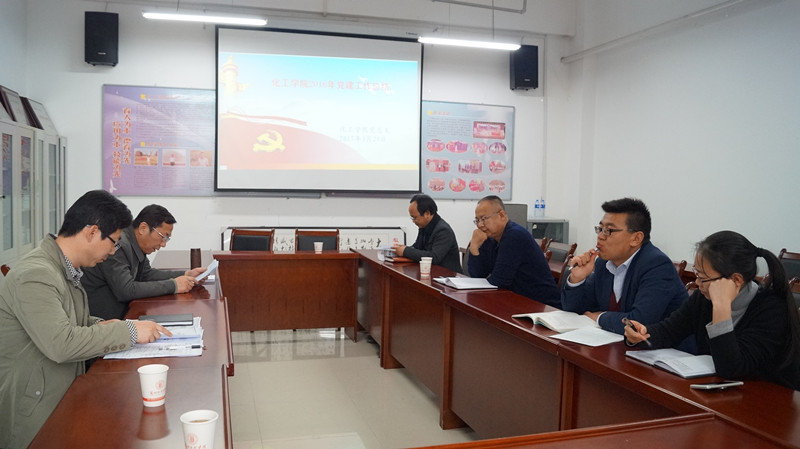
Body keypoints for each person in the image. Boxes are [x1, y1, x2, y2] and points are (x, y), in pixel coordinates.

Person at [0, 190, 172, 449]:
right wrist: (130, 332)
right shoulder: (36, 274)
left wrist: (102, 324)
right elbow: (61, 343)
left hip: (61, 395)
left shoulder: (65, 268)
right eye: (113, 242)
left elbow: (70, 320)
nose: (113, 252)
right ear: (92, 232)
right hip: (35, 414)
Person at [625, 231, 800, 390]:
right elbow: (670, 330)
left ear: (736, 280)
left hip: (767, 401)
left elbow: (732, 368)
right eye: (697, 274)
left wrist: (721, 306)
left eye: (703, 278)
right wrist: (642, 333)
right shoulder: (703, 298)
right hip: (720, 393)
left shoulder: (772, 310)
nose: (697, 283)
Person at [561, 198, 687, 335]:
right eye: (600, 229)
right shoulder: (603, 263)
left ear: (636, 238)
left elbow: (639, 322)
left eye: (609, 230)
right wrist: (577, 280)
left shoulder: (657, 266)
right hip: (615, 342)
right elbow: (575, 310)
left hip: (662, 347)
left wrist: (599, 317)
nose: (600, 236)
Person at [82, 204, 206, 320]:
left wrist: (186, 275)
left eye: (167, 239)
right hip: (101, 320)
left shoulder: (135, 243)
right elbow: (126, 290)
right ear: (143, 228)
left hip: (123, 313)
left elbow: (147, 274)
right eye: (163, 237)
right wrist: (173, 285)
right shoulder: (118, 245)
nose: (163, 244)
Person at [467, 195, 560, 307]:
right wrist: (474, 248)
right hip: (518, 301)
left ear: (502, 215)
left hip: (542, 306)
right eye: (477, 220)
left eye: (484, 219)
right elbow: (477, 275)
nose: (480, 225)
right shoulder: (491, 237)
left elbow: (499, 282)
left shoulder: (514, 235)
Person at [392, 194, 462, 273]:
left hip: (448, 276)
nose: (413, 221)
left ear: (427, 213)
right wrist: (401, 249)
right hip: (432, 273)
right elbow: (417, 247)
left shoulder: (443, 230)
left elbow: (434, 258)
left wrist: (405, 251)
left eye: (414, 217)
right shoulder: (424, 226)